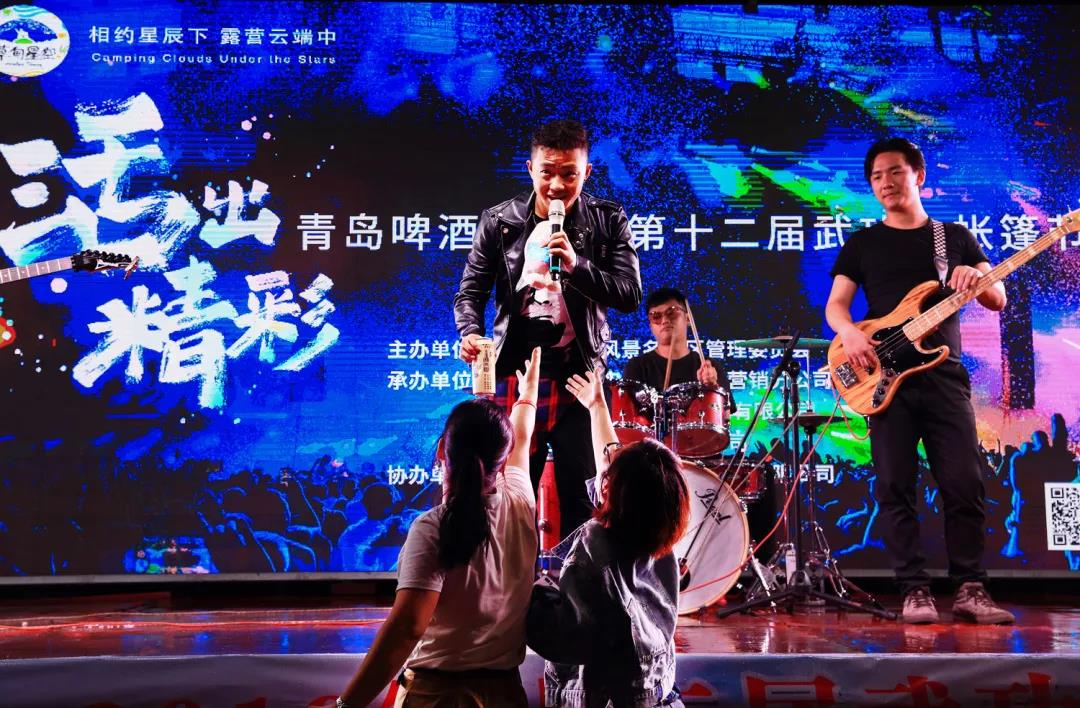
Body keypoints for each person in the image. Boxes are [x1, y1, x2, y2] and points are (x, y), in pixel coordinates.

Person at [825, 137, 1014, 625]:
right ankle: (914, 590)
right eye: (876, 176)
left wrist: (976, 279)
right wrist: (850, 334)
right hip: (886, 381)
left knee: (964, 482)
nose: (885, 182)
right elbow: (836, 307)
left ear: (919, 176)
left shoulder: (954, 238)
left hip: (944, 378)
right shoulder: (862, 243)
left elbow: (998, 298)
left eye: (895, 172)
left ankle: (971, 588)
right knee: (894, 485)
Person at [454, 118, 642, 540]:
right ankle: (514, 580)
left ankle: (577, 579)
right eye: (547, 173)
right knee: (510, 498)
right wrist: (470, 331)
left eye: (569, 174)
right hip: (517, 374)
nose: (557, 185)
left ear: (586, 172)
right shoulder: (499, 221)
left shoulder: (608, 220)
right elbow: (470, 292)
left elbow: (630, 294)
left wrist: (577, 266)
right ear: (530, 168)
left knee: (585, 499)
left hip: (579, 378)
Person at [336, 348, 542, 707]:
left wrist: (346, 705)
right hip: (506, 693)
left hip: (438, 695)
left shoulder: (432, 528)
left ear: (441, 451)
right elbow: (522, 437)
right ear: (503, 457)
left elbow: (408, 629)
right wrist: (528, 395)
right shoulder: (522, 502)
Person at [526, 367, 687, 707]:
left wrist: (530, 596)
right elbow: (609, 462)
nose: (604, 477)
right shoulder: (658, 533)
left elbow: (567, 636)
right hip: (656, 692)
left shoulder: (596, 540)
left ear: (613, 490)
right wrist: (598, 405)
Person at [623, 287, 733, 397]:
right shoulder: (637, 367)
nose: (665, 320)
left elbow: (725, 408)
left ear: (688, 318)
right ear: (650, 326)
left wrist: (712, 387)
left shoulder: (709, 368)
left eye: (671, 312)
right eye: (656, 316)